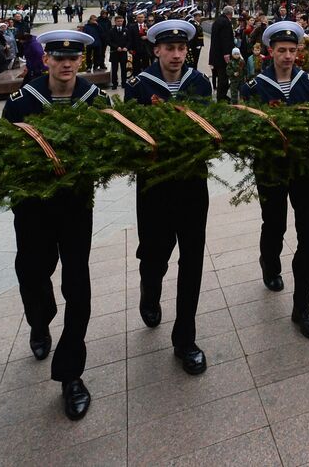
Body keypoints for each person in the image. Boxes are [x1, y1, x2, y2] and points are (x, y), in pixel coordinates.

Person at [3, 29, 103, 421]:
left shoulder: (94, 101)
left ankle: (70, 375)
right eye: (58, 57)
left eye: (72, 58)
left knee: (77, 284)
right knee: (32, 272)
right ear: (46, 60)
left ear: (81, 61)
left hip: (76, 205)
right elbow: (6, 153)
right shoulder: (21, 103)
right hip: (32, 205)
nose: (65, 64)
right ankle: (40, 320)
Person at [125, 19, 213, 375]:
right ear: (157, 50)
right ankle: (150, 289)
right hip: (155, 185)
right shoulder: (138, 87)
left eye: (182, 49)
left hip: (193, 183)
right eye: (170, 49)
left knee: (192, 259)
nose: (177, 55)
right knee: (154, 254)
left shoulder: (199, 84)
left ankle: (185, 339)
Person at [240, 21, 309, 339]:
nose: (287, 56)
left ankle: (302, 307)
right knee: (274, 223)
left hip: (302, 167)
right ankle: (269, 262)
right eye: (281, 50)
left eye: (292, 50)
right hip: (270, 168)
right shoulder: (253, 87)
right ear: (269, 52)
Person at [210, 6, 236, 102]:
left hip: (216, 55)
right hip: (223, 56)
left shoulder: (218, 21)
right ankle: (221, 97)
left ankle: (221, 96)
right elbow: (225, 39)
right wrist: (227, 54)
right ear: (231, 13)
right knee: (223, 77)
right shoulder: (225, 22)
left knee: (221, 76)